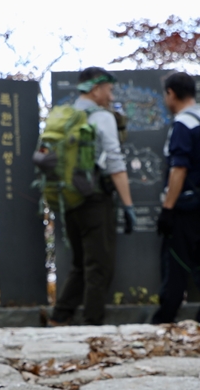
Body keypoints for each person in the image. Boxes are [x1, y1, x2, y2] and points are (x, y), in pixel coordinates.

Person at [48, 68, 138, 326]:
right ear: (96, 89)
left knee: (80, 262)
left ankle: (60, 316)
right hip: (95, 198)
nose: (111, 96)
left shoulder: (65, 116)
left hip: (69, 199)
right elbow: (115, 162)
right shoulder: (101, 117)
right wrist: (128, 205)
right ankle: (91, 323)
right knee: (100, 265)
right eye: (109, 90)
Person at [151, 71, 200, 324]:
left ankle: (164, 319)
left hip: (186, 207)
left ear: (171, 93)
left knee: (175, 264)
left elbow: (179, 168)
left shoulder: (183, 124)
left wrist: (168, 209)